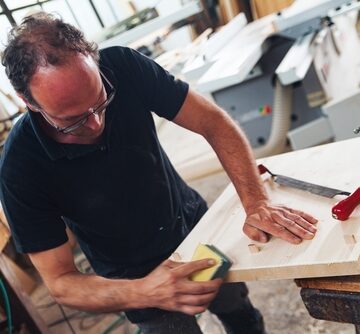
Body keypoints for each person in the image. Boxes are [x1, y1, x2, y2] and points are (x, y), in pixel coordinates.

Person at [0, 12, 318, 334]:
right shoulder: (20, 168)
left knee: (240, 313)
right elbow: (61, 283)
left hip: (194, 231)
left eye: (100, 101)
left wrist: (256, 202)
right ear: (28, 101)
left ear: (94, 60)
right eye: (72, 120)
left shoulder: (122, 67)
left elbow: (214, 123)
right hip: (130, 278)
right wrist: (145, 290)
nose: (96, 124)